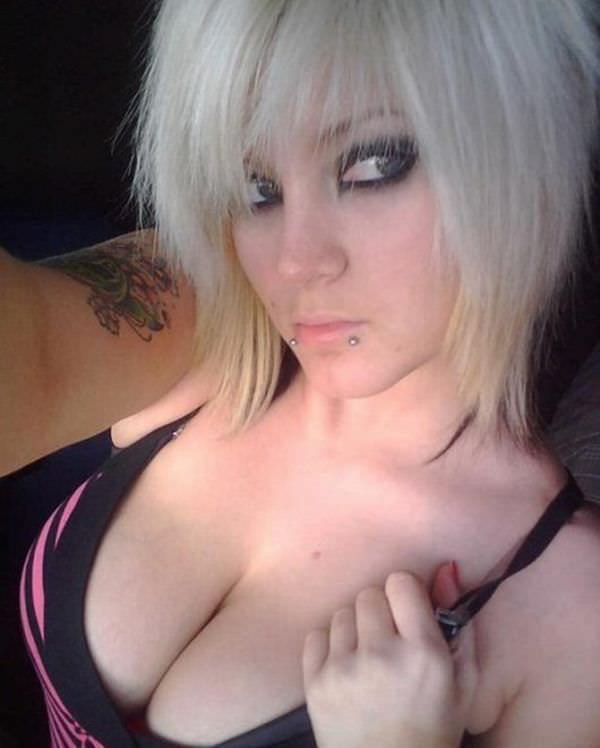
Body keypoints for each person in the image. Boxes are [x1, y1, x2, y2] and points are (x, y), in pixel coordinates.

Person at [12, 1, 600, 746]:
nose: (294, 261)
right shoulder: (198, 324)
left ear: (524, 158)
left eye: (373, 165)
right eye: (257, 188)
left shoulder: (568, 601)